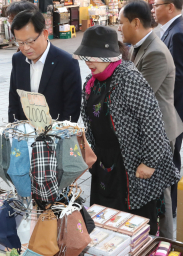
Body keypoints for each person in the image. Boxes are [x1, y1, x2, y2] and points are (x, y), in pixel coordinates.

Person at [76, 25, 180, 235]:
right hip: (104, 165)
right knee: (104, 221)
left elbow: (153, 123)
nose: (88, 62)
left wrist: (149, 163)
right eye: (85, 56)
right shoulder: (91, 82)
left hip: (133, 168)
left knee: (133, 226)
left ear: (109, 57)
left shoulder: (129, 79)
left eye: (93, 56)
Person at [118, 0, 183, 239]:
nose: (118, 28)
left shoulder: (154, 52)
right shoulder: (138, 45)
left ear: (135, 23)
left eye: (121, 23)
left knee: (162, 189)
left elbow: (137, 97)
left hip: (161, 131)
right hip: (149, 128)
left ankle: (167, 240)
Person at [8, 10, 81, 123]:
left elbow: (72, 109)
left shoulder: (67, 62)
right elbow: (14, 101)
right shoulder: (18, 60)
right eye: (20, 43)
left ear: (45, 34)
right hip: (24, 133)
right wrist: (14, 132)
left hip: (55, 135)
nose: (26, 48)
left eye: (30, 41)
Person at [152, 0, 183, 219]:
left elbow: (178, 76)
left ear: (170, 7)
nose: (153, 9)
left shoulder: (177, 32)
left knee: (171, 156)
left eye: (156, 5)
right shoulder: (172, 29)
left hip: (176, 108)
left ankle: (170, 209)